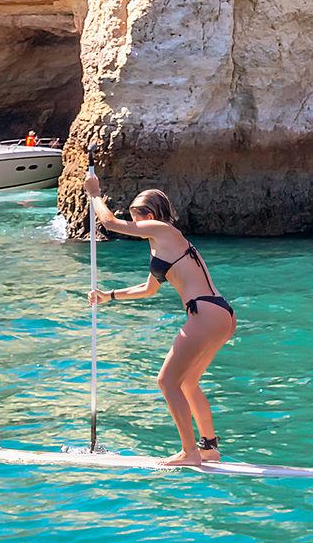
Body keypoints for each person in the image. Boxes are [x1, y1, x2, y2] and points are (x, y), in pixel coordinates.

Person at [83, 172, 236, 467]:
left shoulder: (163, 230)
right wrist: (108, 295)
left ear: (150, 216)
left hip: (204, 312)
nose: (137, 226)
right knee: (188, 382)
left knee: (167, 381)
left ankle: (190, 453)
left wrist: (94, 194)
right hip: (221, 314)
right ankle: (208, 448)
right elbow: (148, 288)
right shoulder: (164, 245)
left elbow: (110, 224)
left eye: (137, 220)